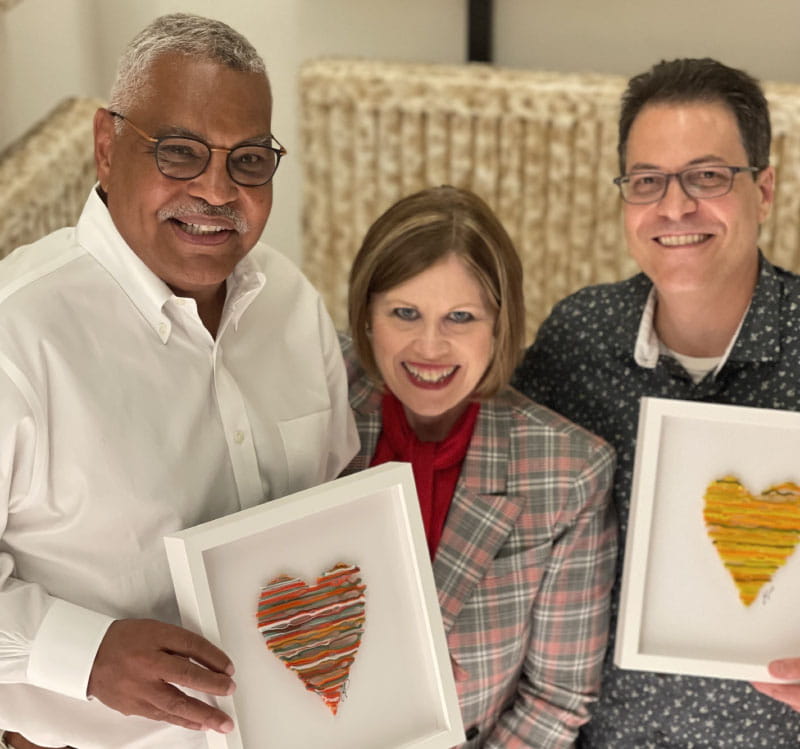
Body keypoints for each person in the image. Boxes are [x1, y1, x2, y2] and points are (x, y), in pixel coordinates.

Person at [0, 13, 358, 749]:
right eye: (180, 153)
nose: (219, 191)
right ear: (107, 146)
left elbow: (332, 511)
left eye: (250, 161)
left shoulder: (293, 305)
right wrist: (85, 654)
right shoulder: (15, 334)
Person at [513, 57, 800, 747]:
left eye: (707, 176)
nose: (673, 207)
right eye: (647, 181)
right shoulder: (577, 338)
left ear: (765, 188)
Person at [341, 185, 616, 747]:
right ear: (367, 316)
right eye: (404, 313)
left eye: (460, 317)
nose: (430, 346)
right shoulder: (314, 400)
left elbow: (556, 699)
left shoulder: (568, 472)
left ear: (500, 325)